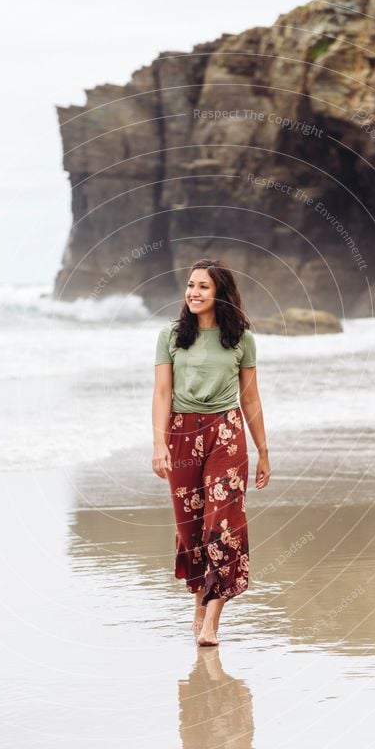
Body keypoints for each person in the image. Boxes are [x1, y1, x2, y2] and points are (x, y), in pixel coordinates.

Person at [152, 258, 270, 646]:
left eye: (202, 286)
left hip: (226, 433)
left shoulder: (241, 339)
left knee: (221, 525)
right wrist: (158, 444)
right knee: (191, 530)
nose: (193, 293)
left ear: (219, 292)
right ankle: (200, 597)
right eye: (190, 285)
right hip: (181, 434)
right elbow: (163, 393)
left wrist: (263, 451)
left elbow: (250, 399)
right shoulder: (170, 336)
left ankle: (212, 620)